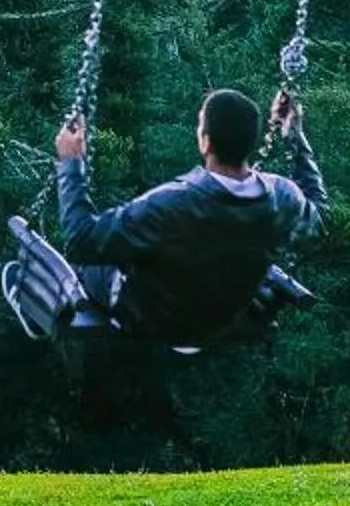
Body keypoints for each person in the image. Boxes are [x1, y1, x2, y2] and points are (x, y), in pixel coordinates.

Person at [46, 84, 327, 345]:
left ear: (205, 142)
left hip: (151, 322)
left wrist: (71, 164)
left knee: (95, 260)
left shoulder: (173, 203)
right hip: (219, 321)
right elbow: (320, 217)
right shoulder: (283, 198)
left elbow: (80, 241)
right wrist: (295, 136)